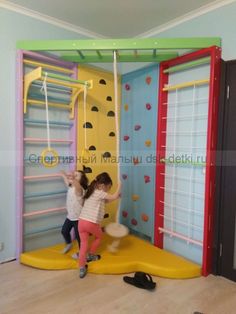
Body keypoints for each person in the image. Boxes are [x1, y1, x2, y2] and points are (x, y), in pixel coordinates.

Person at [78, 172, 122, 278]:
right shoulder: (100, 192)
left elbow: (105, 201)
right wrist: (120, 185)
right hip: (91, 222)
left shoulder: (91, 191)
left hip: (81, 222)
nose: (108, 190)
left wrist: (115, 198)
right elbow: (114, 195)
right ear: (102, 185)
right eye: (108, 187)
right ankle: (92, 255)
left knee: (83, 245)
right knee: (99, 237)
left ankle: (81, 267)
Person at [60, 170, 89, 254]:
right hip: (70, 216)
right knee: (64, 231)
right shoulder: (71, 186)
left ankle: (81, 252)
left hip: (78, 219)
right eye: (74, 175)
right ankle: (69, 243)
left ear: (81, 180)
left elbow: (77, 186)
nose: (73, 176)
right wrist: (63, 175)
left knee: (78, 237)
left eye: (77, 175)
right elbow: (67, 181)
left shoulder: (80, 190)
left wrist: (73, 178)